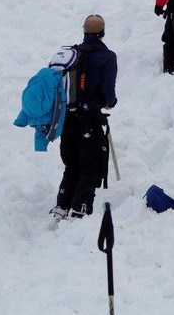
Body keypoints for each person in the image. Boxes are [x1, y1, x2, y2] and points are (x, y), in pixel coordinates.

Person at [52, 14, 118, 220]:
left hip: (67, 118)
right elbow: (108, 93)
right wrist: (109, 102)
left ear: (84, 32)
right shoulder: (107, 57)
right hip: (88, 118)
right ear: (103, 33)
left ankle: (62, 205)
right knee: (91, 165)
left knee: (72, 164)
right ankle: (80, 208)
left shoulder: (71, 56)